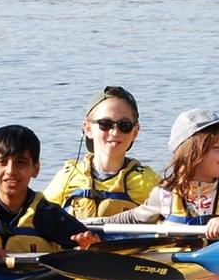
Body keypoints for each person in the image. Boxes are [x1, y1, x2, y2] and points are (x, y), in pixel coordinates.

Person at [100, 109, 219, 239]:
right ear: (191, 154)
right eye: (217, 148)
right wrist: (93, 225)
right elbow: (133, 218)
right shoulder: (165, 194)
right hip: (175, 263)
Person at [42, 85, 160, 219]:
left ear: (135, 131)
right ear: (87, 128)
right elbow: (37, 217)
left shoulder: (149, 182)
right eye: (105, 124)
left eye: (124, 125)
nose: (115, 132)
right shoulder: (67, 178)